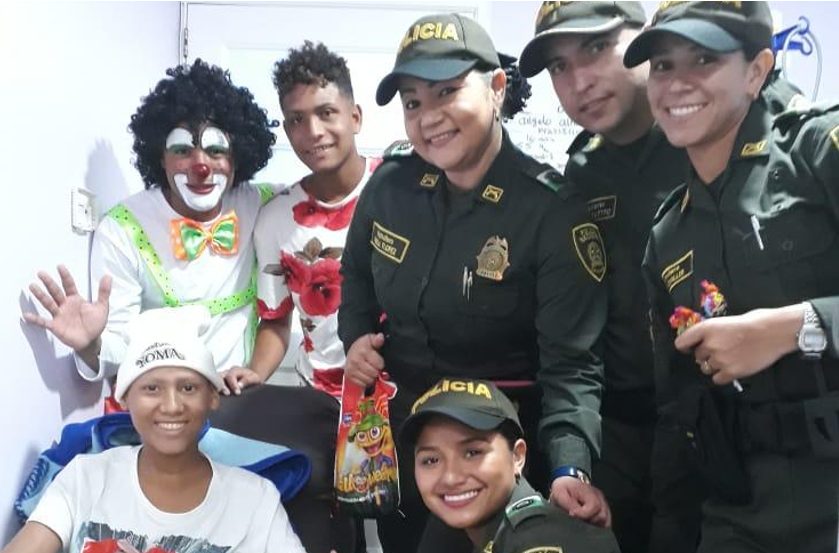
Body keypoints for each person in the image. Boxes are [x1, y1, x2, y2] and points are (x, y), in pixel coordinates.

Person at [517, 4, 809, 551]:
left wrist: (800, 327)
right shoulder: (583, 170)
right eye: (558, 66)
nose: (579, 82)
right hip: (630, 430)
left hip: (762, 434)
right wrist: (572, 461)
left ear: (644, 39)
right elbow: (576, 333)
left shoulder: (763, 136)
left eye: (597, 48)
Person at [339, 12, 610, 553]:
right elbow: (357, 276)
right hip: (407, 443)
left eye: (447, 92)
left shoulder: (549, 211)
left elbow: (572, 365)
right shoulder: (389, 186)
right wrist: (357, 339)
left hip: (495, 456)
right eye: (413, 102)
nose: (429, 117)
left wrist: (570, 467)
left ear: (497, 88)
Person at [624, 2, 839, 552]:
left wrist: (798, 327)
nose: (677, 83)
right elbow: (677, 409)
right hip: (738, 513)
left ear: (756, 70)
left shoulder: (817, 153)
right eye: (663, 65)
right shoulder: (668, 235)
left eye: (704, 59)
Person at [212, 41, 379, 553]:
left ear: (355, 116)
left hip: (403, 396)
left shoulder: (400, 191)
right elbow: (275, 321)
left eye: (326, 113)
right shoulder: (277, 218)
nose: (313, 131)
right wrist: (255, 372)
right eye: (297, 120)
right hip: (321, 404)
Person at [24, 59, 277, 385]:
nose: (200, 166)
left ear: (236, 156)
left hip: (241, 395)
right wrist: (90, 345)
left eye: (216, 150)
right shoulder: (124, 228)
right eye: (182, 150)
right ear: (160, 156)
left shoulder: (264, 204)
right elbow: (120, 344)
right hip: (166, 401)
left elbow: (321, 202)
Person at [1, 306, 305, 553]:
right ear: (124, 398)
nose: (171, 406)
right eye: (151, 388)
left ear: (212, 397)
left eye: (188, 388)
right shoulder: (85, 478)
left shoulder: (256, 500)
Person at [402, 377, 621, 553]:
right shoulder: (491, 535)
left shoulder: (539, 540)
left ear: (517, 457)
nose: (451, 477)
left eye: (472, 453)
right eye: (431, 460)